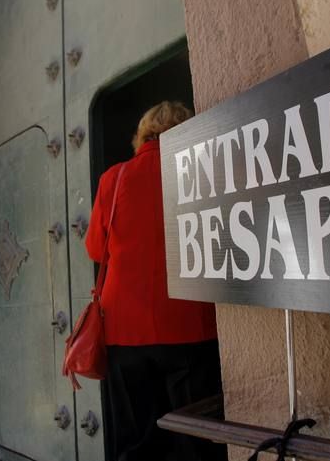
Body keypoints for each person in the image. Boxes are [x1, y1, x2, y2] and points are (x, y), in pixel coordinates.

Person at [86, 101, 227, 461]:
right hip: (190, 323)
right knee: (197, 439)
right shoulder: (202, 170)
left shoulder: (114, 179)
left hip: (125, 329)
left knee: (136, 441)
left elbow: (95, 250)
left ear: (142, 135)